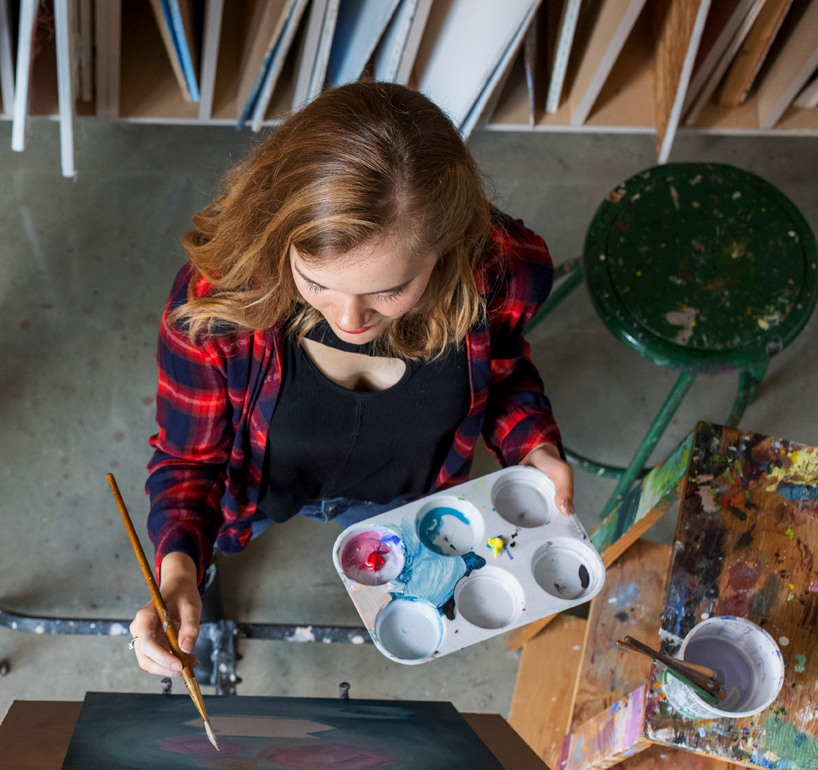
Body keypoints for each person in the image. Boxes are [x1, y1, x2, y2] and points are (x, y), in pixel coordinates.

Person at [130, 82, 571, 679]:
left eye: (389, 291)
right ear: (280, 235)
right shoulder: (220, 305)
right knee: (196, 562)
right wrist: (179, 566)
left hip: (404, 496)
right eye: (315, 281)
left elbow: (505, 367)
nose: (348, 320)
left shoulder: (501, 275)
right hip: (259, 489)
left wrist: (531, 442)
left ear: (446, 251)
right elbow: (191, 464)